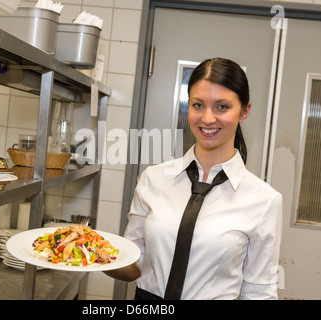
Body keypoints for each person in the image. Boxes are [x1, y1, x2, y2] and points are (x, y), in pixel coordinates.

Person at [105, 58, 283, 300]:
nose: (207, 118)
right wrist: (90, 254)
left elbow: (260, 290)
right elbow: (134, 262)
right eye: (198, 105)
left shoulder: (264, 200)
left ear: (244, 111)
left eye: (222, 107)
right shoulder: (153, 179)